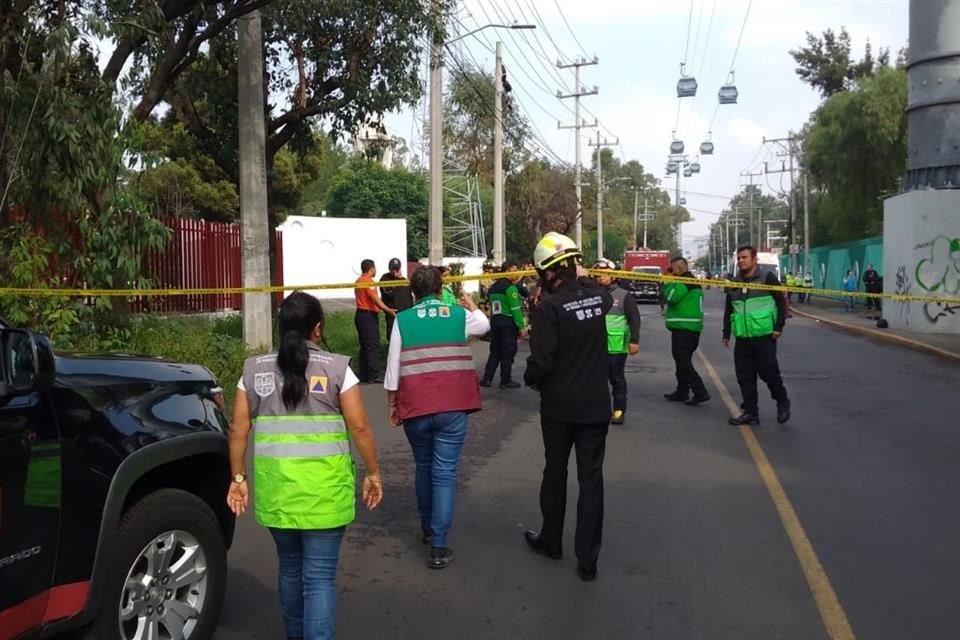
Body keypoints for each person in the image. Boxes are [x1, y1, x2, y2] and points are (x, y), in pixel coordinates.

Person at [227, 291, 383, 640]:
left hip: (277, 492)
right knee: (319, 578)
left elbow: (238, 428)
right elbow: (359, 427)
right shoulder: (338, 368)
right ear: (318, 329)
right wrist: (373, 472)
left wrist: (238, 477)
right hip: (325, 496)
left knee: (290, 569)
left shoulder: (252, 371)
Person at [384, 266, 490, 569]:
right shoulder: (456, 315)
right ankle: (439, 547)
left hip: (416, 406)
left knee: (423, 467)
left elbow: (393, 368)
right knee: (444, 474)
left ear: (413, 291)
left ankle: (427, 527)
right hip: (453, 406)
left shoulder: (402, 319)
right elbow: (483, 326)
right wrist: (470, 305)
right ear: (441, 287)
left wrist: (392, 405)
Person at [523, 232, 613, 582]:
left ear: (548, 272)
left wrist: (532, 377)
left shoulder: (548, 308)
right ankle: (588, 560)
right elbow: (593, 294)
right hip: (595, 405)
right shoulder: (600, 298)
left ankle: (551, 540)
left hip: (559, 408)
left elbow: (541, 361)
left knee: (555, 472)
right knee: (591, 481)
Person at [723, 246, 791, 426]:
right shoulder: (734, 282)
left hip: (764, 336)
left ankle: (782, 400)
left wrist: (779, 326)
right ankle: (751, 413)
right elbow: (729, 307)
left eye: (744, 257)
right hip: (743, 337)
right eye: (739, 258)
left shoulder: (767, 278)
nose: (741, 261)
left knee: (768, 373)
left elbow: (782, 302)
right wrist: (726, 332)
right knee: (744, 376)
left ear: (754, 260)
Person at [592, 258, 641, 425]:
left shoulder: (623, 295)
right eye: (598, 274)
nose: (601, 277)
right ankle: (597, 409)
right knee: (594, 380)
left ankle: (619, 410)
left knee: (616, 379)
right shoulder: (590, 295)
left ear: (613, 275)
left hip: (616, 347)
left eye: (605, 274)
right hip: (593, 347)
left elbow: (634, 318)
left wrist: (634, 340)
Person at [663, 257, 709, 406]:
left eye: (671, 269)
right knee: (682, 361)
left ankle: (699, 391)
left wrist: (668, 282)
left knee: (683, 362)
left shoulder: (684, 282)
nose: (670, 272)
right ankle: (682, 391)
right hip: (688, 328)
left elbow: (672, 297)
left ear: (679, 269)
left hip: (685, 329)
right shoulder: (690, 281)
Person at [481, 261, 528, 389]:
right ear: (507, 271)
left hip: (496, 321)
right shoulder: (510, 289)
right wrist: (521, 326)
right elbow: (515, 309)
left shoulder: (493, 288)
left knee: (495, 351)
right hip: (508, 322)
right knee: (507, 352)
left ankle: (487, 378)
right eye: (513, 270)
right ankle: (505, 380)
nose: (516, 274)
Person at [355, 259, 395, 383]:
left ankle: (364, 374)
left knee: (365, 346)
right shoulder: (368, 281)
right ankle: (374, 375)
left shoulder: (359, 281)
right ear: (371, 269)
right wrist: (388, 310)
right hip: (368, 316)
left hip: (360, 315)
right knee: (372, 345)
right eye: (375, 268)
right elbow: (375, 299)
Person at [380, 258, 414, 339]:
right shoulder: (385, 278)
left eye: (397, 268)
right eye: (393, 268)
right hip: (393, 312)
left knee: (405, 334)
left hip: (405, 311)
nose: (395, 271)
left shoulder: (404, 280)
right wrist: (396, 280)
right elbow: (389, 294)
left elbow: (409, 295)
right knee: (392, 335)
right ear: (389, 268)